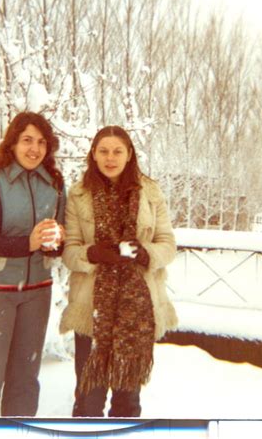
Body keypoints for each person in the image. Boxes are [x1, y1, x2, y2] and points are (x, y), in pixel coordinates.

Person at [59, 125, 177, 418]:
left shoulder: (151, 193)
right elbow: (69, 250)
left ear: (129, 155)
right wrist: (91, 253)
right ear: (94, 154)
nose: (110, 158)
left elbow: (169, 245)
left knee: (128, 400)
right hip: (91, 308)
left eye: (117, 151)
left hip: (136, 309)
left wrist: (145, 253)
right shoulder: (79, 194)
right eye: (103, 151)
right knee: (88, 398)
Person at [0, 112, 65, 417]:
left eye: (42, 141)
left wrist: (59, 239)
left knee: (25, 382)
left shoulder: (54, 183)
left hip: (38, 292)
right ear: (13, 142)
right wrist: (26, 244)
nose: (35, 149)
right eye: (27, 140)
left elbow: (61, 238)